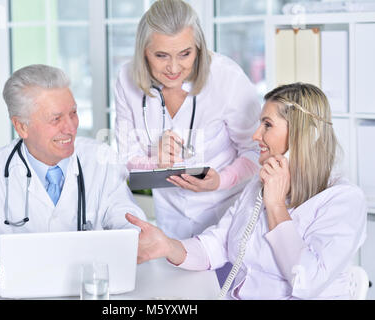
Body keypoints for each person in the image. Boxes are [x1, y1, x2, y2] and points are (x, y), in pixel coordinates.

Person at [125, 83, 367, 299]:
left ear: (302, 136)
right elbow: (218, 244)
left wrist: (276, 207)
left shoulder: (343, 200)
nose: (256, 135)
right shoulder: (258, 186)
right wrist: (168, 246)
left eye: (267, 125)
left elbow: (306, 281)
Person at [0, 64, 146, 281]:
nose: (71, 127)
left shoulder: (101, 160)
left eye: (73, 113)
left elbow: (129, 221)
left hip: (87, 287)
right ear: (21, 127)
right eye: (56, 119)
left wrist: (131, 237)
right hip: (22, 291)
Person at [114, 0, 261, 240]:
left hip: (229, 213)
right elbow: (126, 158)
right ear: (143, 52)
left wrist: (220, 181)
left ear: (198, 48)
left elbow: (257, 151)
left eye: (185, 54)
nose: (173, 67)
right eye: (161, 55)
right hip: (171, 219)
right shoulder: (126, 80)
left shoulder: (227, 77)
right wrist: (156, 162)